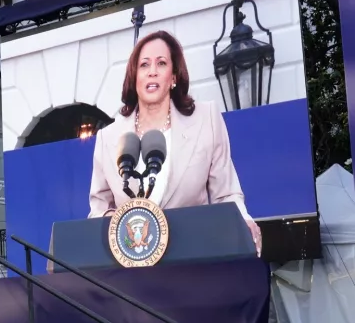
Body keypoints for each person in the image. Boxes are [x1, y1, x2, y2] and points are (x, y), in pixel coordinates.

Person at [88, 30, 262, 255]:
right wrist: (117, 224)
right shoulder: (108, 138)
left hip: (194, 255)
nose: (152, 72)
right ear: (135, 77)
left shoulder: (206, 118)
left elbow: (226, 193)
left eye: (161, 63)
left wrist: (244, 221)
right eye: (144, 65)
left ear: (173, 77)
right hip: (131, 266)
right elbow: (99, 208)